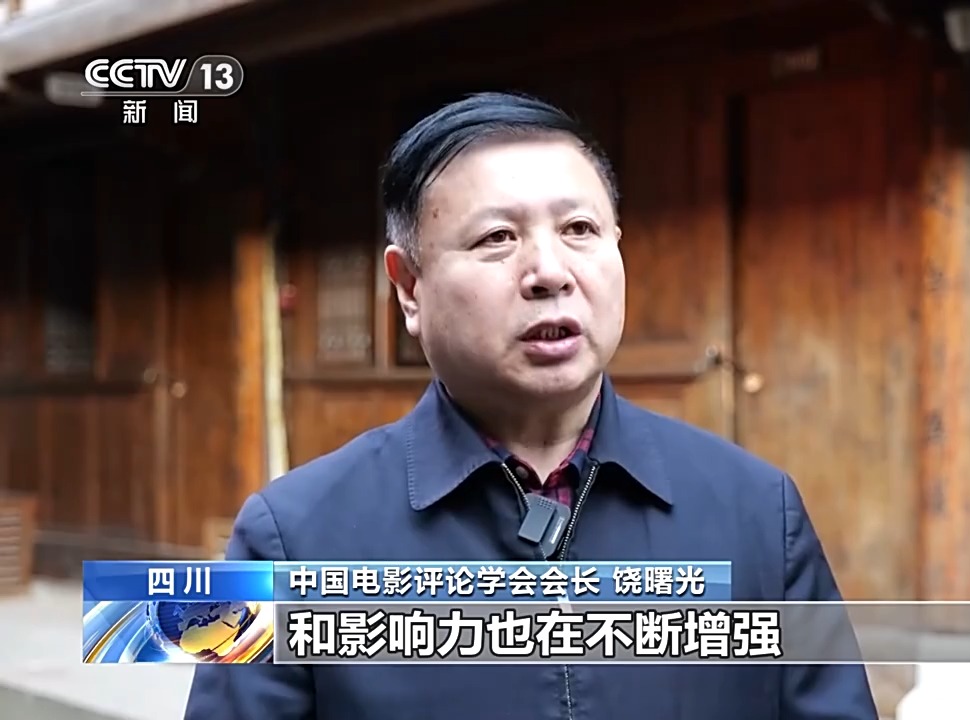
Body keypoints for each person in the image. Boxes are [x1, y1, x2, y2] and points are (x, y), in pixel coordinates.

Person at [184, 91, 878, 720]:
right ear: (409, 288)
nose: (550, 272)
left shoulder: (760, 513)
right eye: (498, 238)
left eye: (579, 229)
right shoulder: (288, 538)